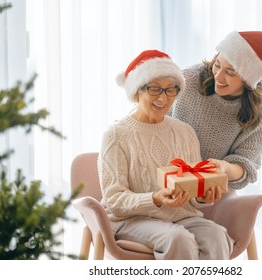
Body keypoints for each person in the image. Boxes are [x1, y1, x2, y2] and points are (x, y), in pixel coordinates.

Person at [97, 50, 233, 260]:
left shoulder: (184, 132)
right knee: (178, 238)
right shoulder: (116, 134)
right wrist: (155, 198)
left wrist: (203, 196)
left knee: (217, 235)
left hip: (182, 217)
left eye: (171, 90)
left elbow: (193, 187)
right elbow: (114, 199)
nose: (163, 98)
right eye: (155, 89)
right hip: (134, 220)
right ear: (137, 91)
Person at [170, 31, 262, 191]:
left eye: (230, 72)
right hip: (163, 173)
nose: (218, 76)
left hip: (207, 189)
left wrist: (225, 168)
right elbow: (152, 113)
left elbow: (246, 163)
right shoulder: (189, 79)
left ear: (248, 79)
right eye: (217, 65)